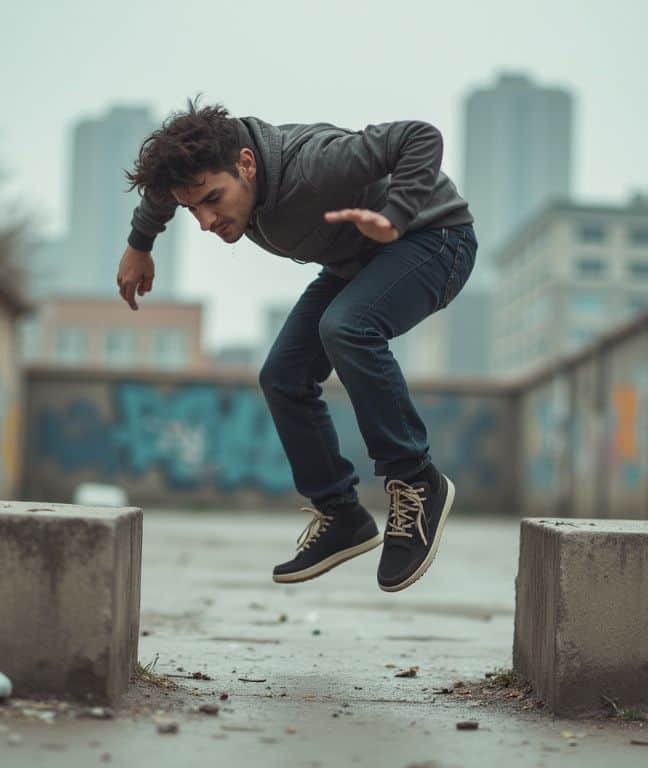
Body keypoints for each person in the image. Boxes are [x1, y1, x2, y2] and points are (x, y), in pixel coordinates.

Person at [117, 100, 476, 592]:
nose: (205, 221)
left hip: (435, 239)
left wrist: (395, 215)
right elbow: (163, 191)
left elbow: (419, 137)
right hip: (357, 262)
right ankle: (341, 513)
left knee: (347, 326)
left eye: (214, 200)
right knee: (282, 374)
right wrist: (140, 243)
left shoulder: (313, 164)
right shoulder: (208, 179)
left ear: (246, 164)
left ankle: (416, 482)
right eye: (192, 209)